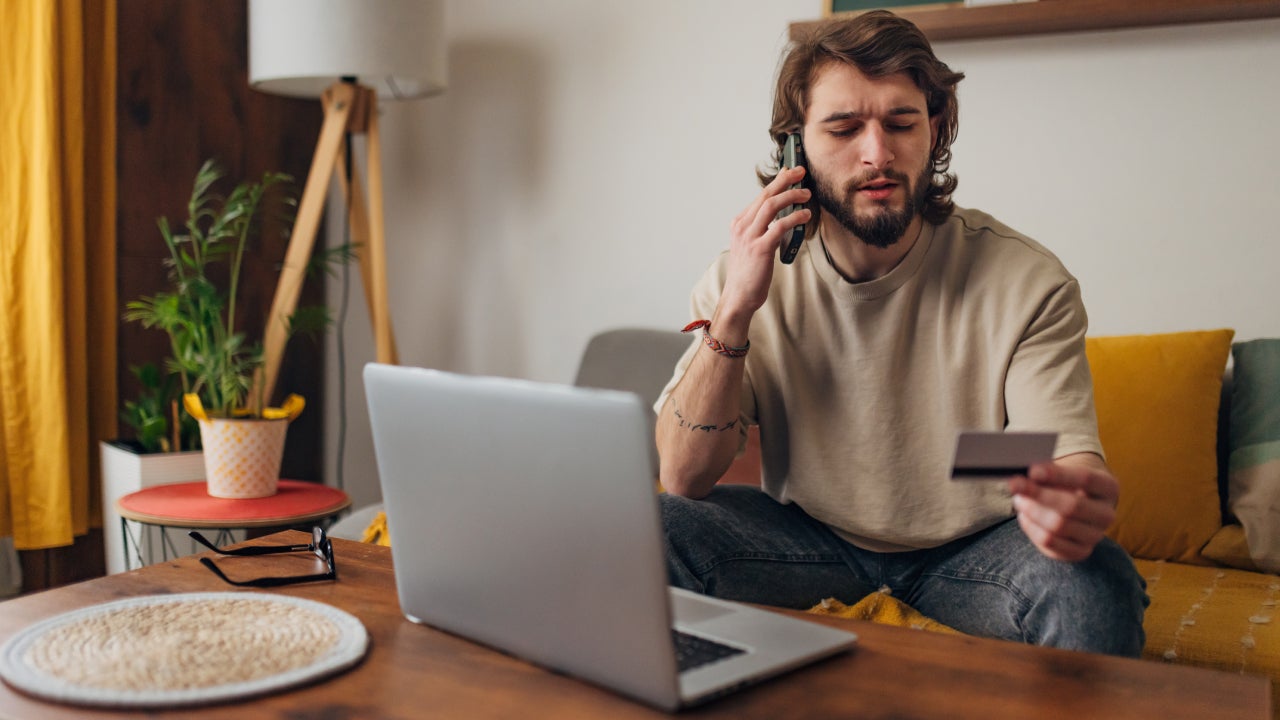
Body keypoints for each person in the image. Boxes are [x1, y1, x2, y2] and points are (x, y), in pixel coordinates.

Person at [653, 10, 1148, 656]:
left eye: (901, 123)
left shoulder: (1026, 281)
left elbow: (1056, 456)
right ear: (793, 149)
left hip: (975, 554)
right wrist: (735, 314)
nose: (877, 154)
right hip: (808, 542)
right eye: (844, 127)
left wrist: (1068, 500)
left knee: (1095, 578)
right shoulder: (743, 280)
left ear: (935, 129)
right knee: (652, 529)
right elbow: (684, 476)